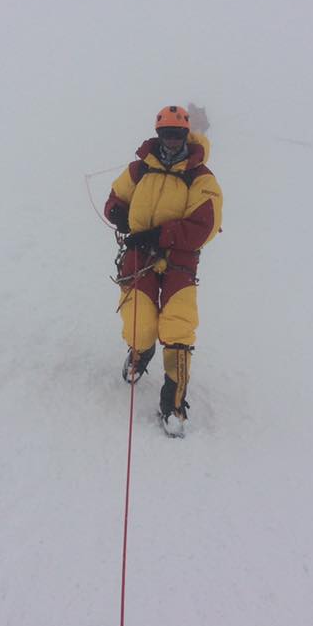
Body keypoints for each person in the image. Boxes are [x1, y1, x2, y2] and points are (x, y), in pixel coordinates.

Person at [104, 105, 223, 436]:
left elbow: (204, 225)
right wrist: (118, 214)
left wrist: (157, 235)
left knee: (178, 325)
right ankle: (140, 352)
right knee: (139, 321)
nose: (171, 141)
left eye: (177, 135)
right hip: (139, 256)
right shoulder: (140, 168)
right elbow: (116, 197)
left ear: (186, 135)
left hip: (178, 260)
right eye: (166, 134)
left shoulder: (201, 176)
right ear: (158, 135)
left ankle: (173, 402)